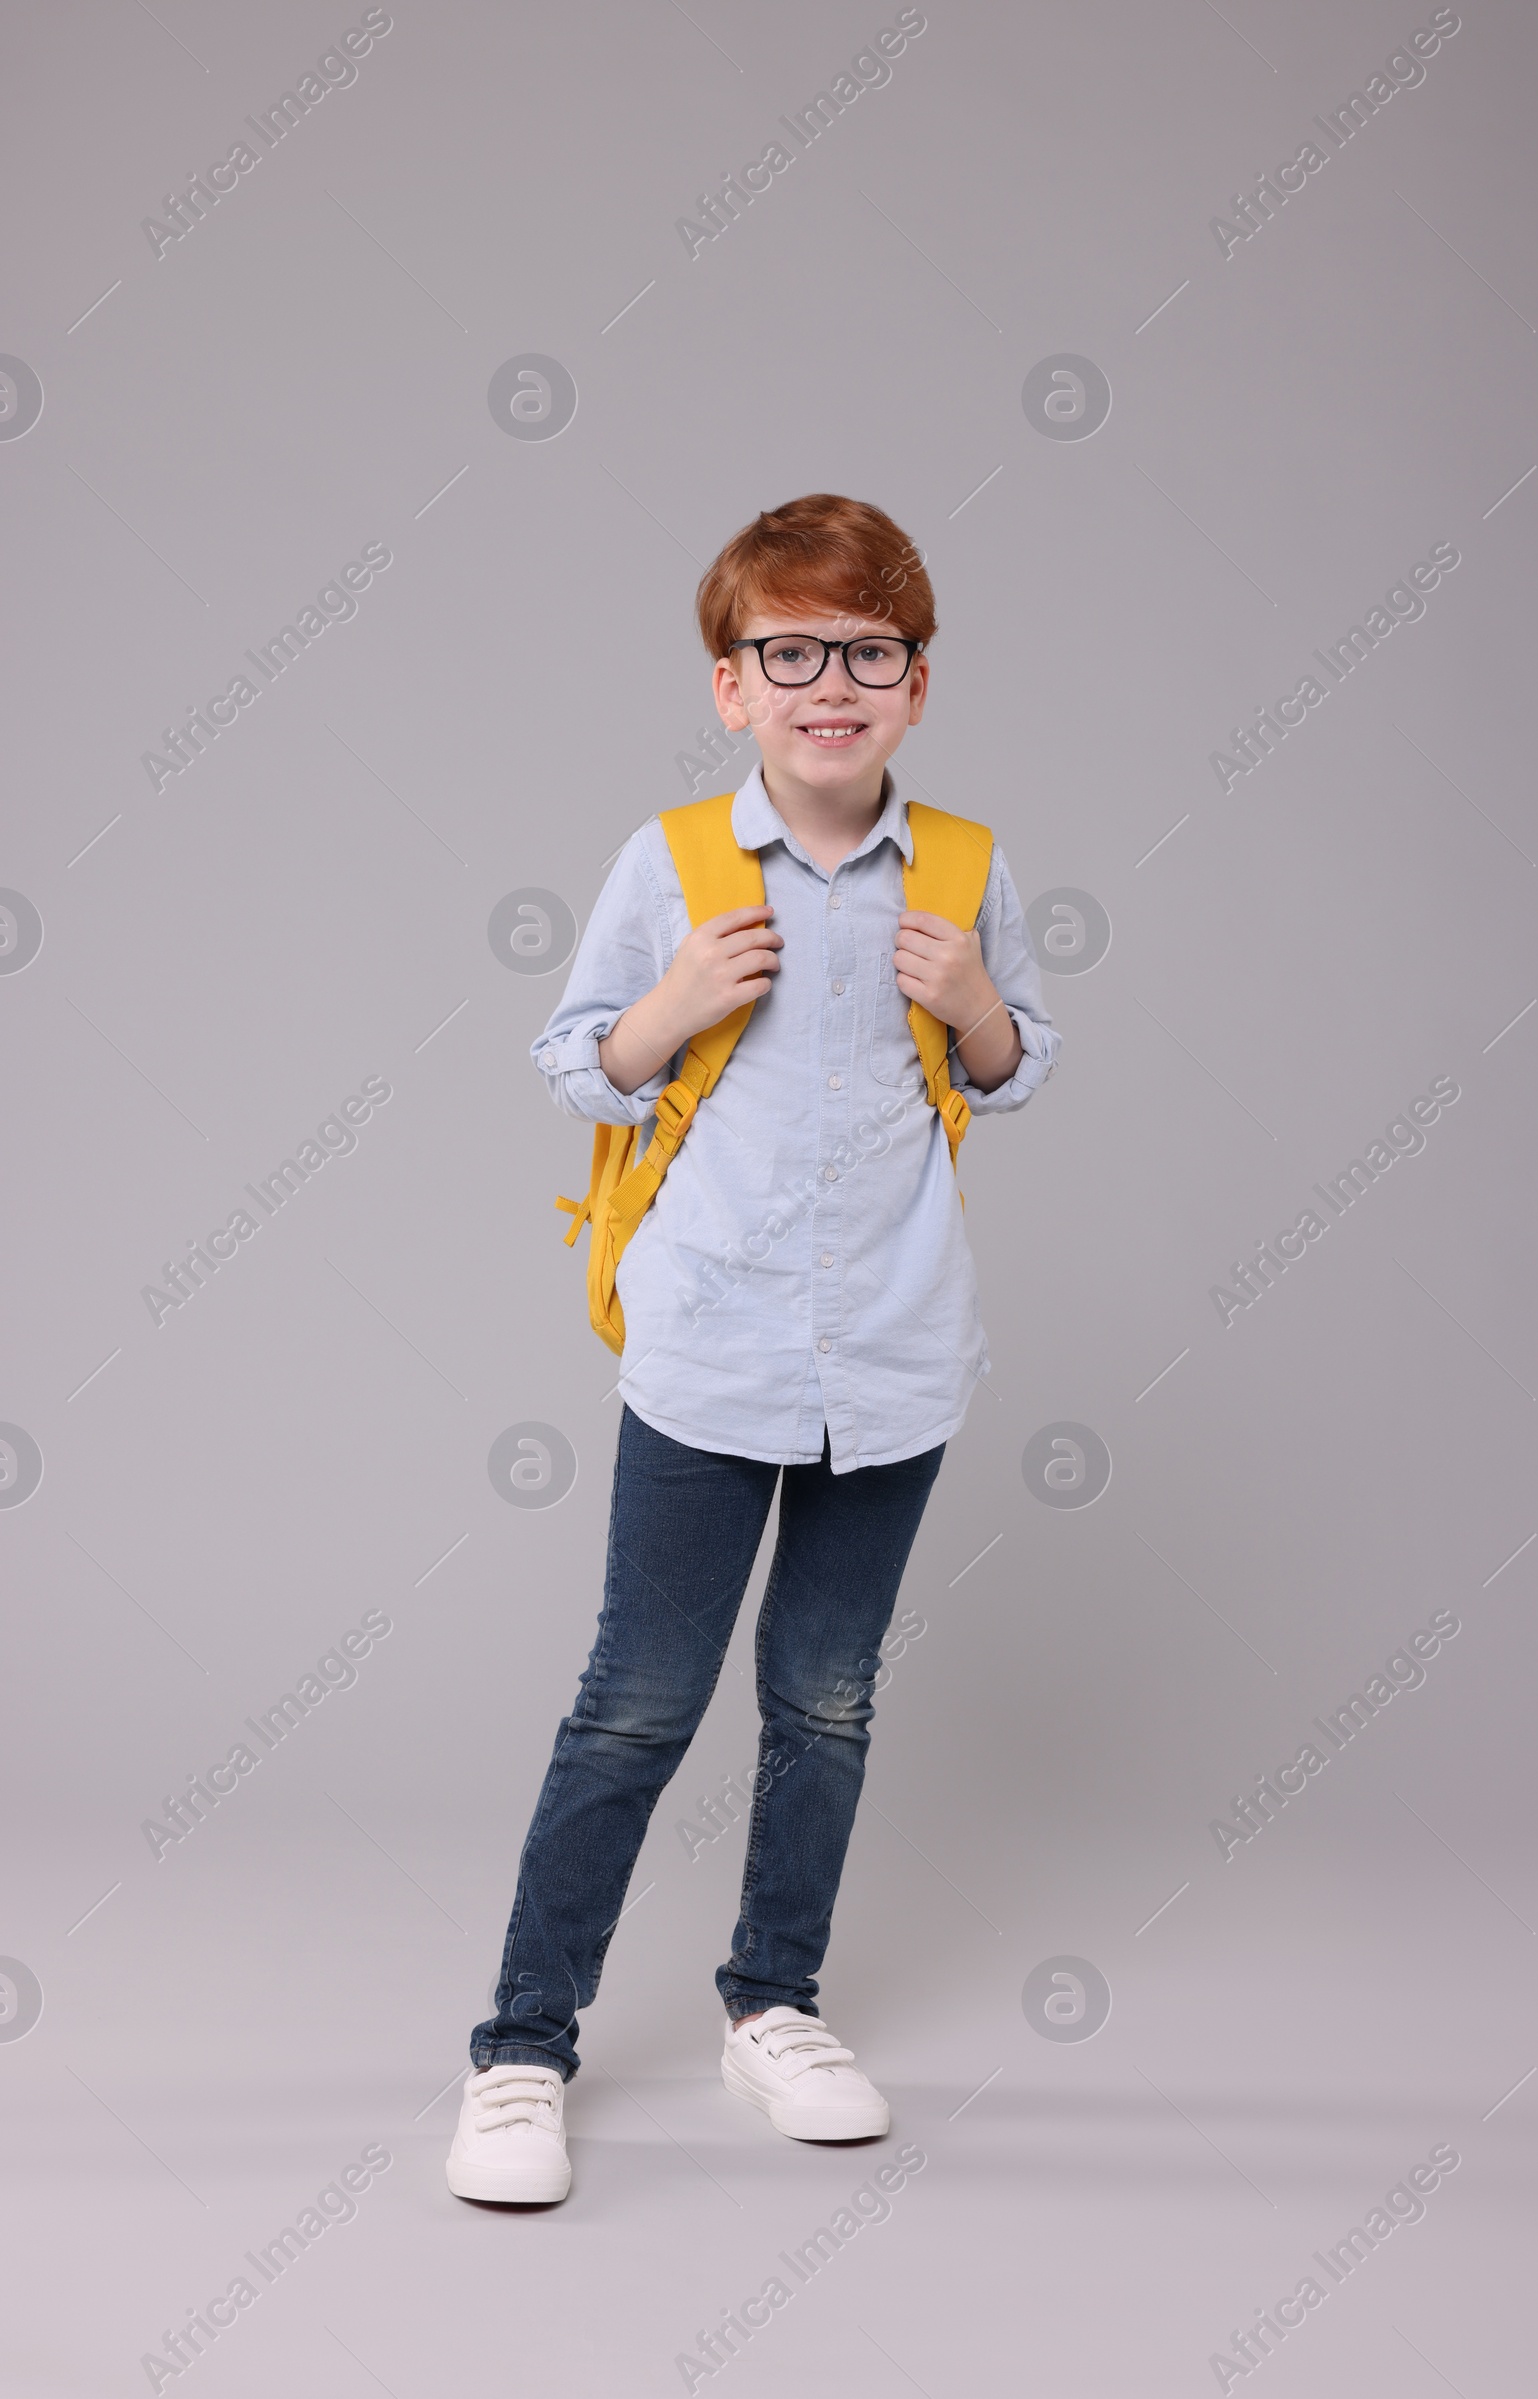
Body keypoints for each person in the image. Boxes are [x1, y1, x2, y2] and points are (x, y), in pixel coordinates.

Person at [447, 493, 1059, 2203]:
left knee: (829, 1702)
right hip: (709, 1354)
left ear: (917, 684)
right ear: (733, 687)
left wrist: (982, 1010)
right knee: (635, 1708)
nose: (830, 684)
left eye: (867, 652)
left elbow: (1016, 1070)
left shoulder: (966, 869)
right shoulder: (673, 865)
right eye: (789, 653)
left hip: (896, 1357)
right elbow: (578, 1062)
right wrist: (672, 1007)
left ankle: (773, 2002)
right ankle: (520, 2045)